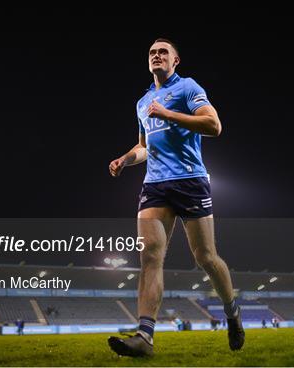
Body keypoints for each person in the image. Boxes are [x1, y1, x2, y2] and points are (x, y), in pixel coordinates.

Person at [107, 38, 244, 357]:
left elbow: (214, 125)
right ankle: (144, 336)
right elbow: (144, 147)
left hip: (190, 181)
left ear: (175, 61)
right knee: (150, 255)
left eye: (163, 52)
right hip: (155, 185)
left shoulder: (187, 88)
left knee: (205, 257)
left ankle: (232, 312)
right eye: (152, 53)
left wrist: (169, 114)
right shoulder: (143, 102)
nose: (156, 56)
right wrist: (126, 159)